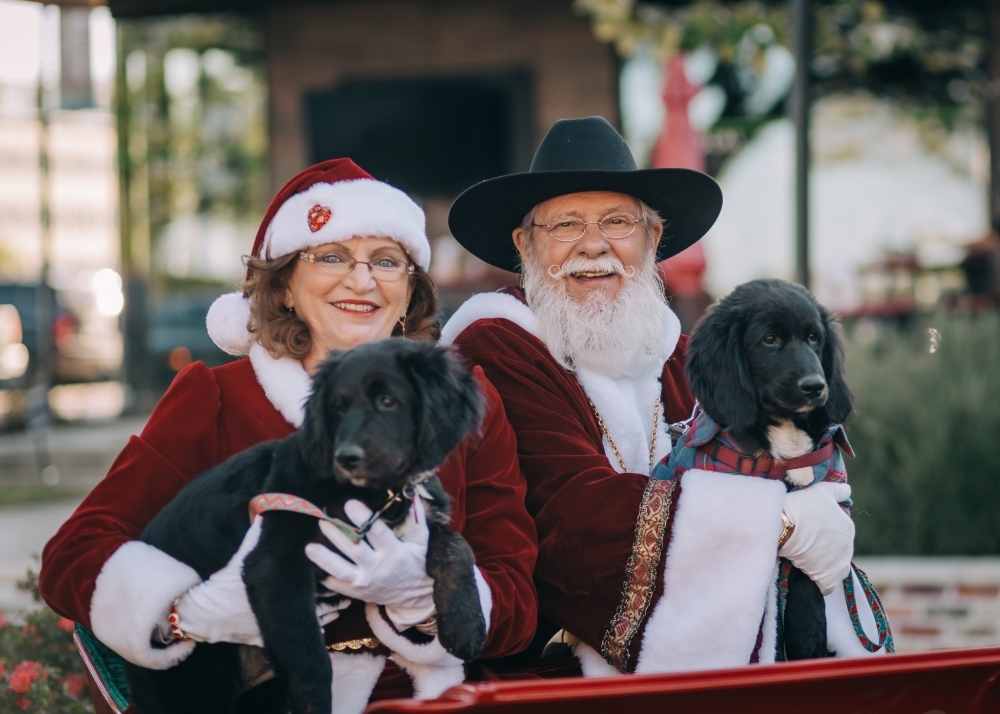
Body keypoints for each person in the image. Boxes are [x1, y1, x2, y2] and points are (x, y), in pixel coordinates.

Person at [39, 159, 538, 712]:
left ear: (410, 291)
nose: (362, 280)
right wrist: (190, 613)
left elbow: (517, 601)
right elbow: (75, 555)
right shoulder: (216, 398)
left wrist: (424, 597)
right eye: (332, 256)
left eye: (386, 261)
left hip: (422, 698)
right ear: (284, 289)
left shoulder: (463, 401)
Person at [442, 117, 879, 676]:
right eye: (566, 224)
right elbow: (571, 514)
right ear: (524, 244)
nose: (594, 245)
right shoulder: (495, 346)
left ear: (652, 240)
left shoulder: (684, 357)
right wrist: (780, 523)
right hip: (547, 674)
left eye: (618, 222)